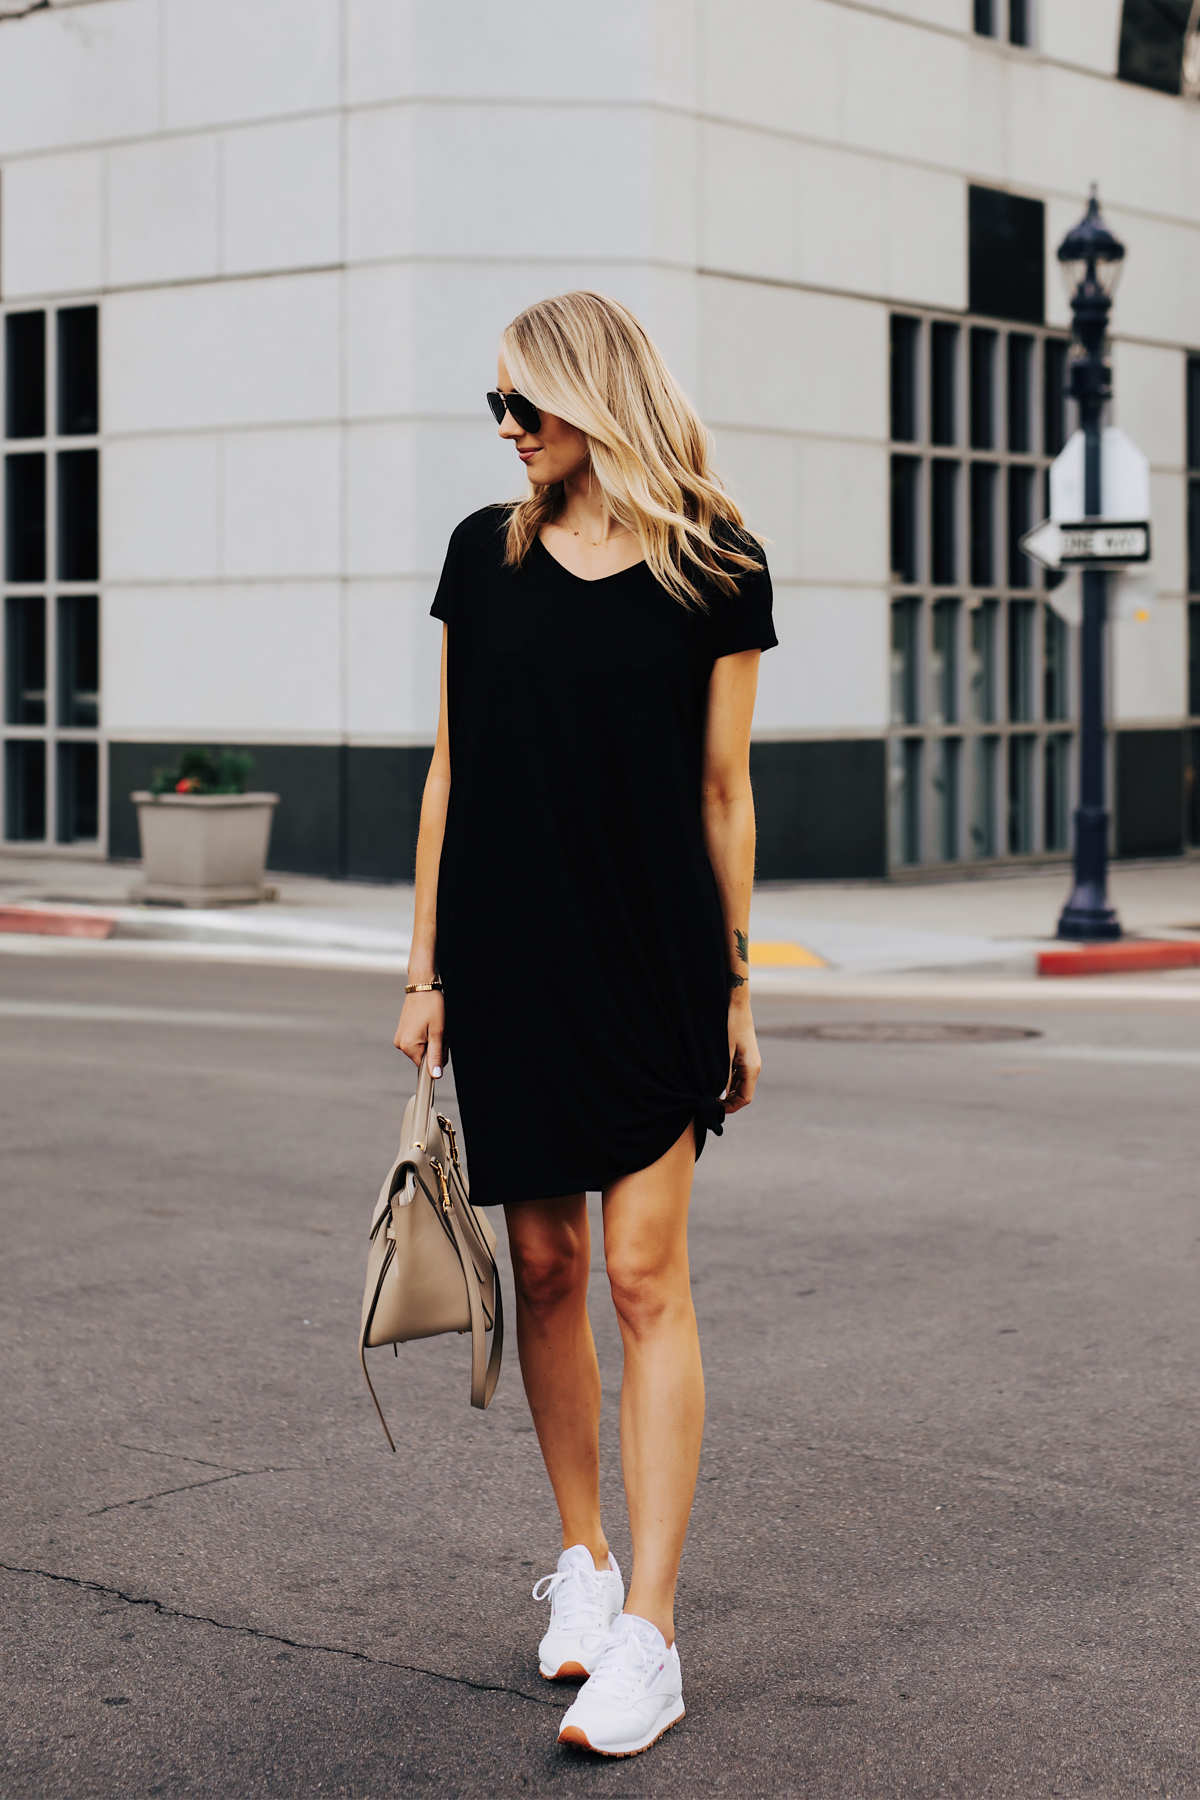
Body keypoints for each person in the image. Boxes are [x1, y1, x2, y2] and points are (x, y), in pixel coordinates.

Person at [394, 290, 775, 1759]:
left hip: (656, 957)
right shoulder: (479, 561)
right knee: (544, 1265)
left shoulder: (715, 565)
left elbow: (723, 793)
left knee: (640, 1276)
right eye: (495, 408)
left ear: (588, 398)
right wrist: (424, 971)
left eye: (521, 405)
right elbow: (448, 769)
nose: (505, 431)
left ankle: (653, 1637)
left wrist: (738, 985)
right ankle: (584, 1561)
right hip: (509, 957)